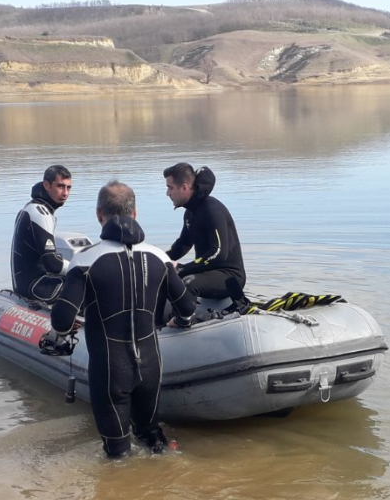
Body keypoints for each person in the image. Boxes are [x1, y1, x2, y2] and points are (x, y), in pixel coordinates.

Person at [48, 181, 196, 459]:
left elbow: (61, 321)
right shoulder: (159, 257)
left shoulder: (85, 261)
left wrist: (68, 326)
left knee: (118, 455)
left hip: (110, 369)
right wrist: (180, 322)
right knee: (152, 439)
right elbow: (187, 308)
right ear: (135, 213)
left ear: (99, 215)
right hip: (150, 365)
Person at [162, 163, 249, 312]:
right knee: (166, 279)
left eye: (170, 188)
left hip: (230, 276)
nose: (167, 193)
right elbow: (182, 245)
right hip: (207, 272)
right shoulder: (190, 213)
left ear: (184, 187)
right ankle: (157, 322)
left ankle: (181, 322)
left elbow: (218, 254)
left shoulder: (211, 209)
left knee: (188, 283)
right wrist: (157, 259)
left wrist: (182, 268)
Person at [11, 165, 73, 303]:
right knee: (89, 283)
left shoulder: (30, 208)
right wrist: (82, 268)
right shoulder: (40, 214)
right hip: (35, 287)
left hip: (25, 285)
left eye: (68, 188)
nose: (65, 193)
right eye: (60, 186)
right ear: (46, 185)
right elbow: (53, 264)